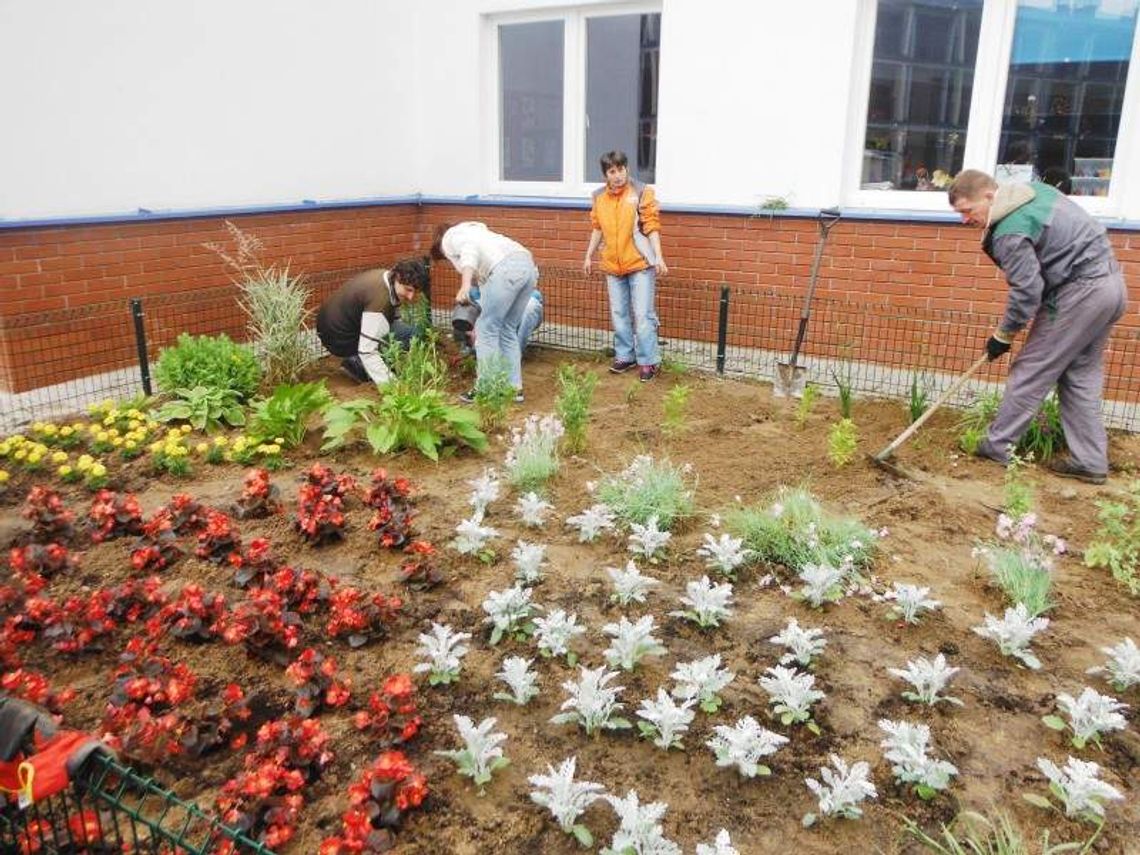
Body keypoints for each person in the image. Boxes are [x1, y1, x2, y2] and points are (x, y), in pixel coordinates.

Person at [948, 169, 1128, 484]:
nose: (964, 220)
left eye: (967, 210)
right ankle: (1090, 461)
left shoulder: (1010, 231)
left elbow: (1027, 291)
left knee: (1030, 369)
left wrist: (1003, 335)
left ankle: (997, 445)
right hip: (1111, 286)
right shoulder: (1035, 192)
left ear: (990, 196)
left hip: (1079, 293)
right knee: (1079, 375)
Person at [583, 150, 668, 382]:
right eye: (612, 171)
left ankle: (649, 361)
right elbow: (597, 227)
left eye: (621, 169)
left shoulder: (641, 192)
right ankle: (625, 355)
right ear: (605, 175)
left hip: (640, 264)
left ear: (626, 169)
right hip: (612, 265)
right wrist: (589, 255)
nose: (618, 175)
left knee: (643, 315)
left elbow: (651, 226)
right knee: (619, 314)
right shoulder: (599, 197)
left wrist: (659, 257)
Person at [431, 221, 538, 403]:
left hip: (505, 268)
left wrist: (464, 286)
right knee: (507, 329)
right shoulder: (480, 233)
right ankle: (514, 389)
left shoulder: (451, 237)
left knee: (486, 329)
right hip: (527, 265)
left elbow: (469, 252)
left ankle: (486, 388)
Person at [316, 257, 430, 385]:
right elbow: (367, 351)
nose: (411, 297)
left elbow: (391, 314)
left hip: (334, 328)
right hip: (340, 339)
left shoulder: (386, 277)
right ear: (397, 277)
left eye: (416, 292)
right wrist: (391, 385)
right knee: (411, 334)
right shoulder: (379, 302)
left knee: (397, 331)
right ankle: (357, 364)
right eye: (408, 290)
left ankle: (361, 361)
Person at [453, 288, 544, 356]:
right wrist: (472, 330)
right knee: (464, 304)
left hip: (516, 319)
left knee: (530, 306)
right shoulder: (478, 290)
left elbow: (535, 297)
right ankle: (467, 346)